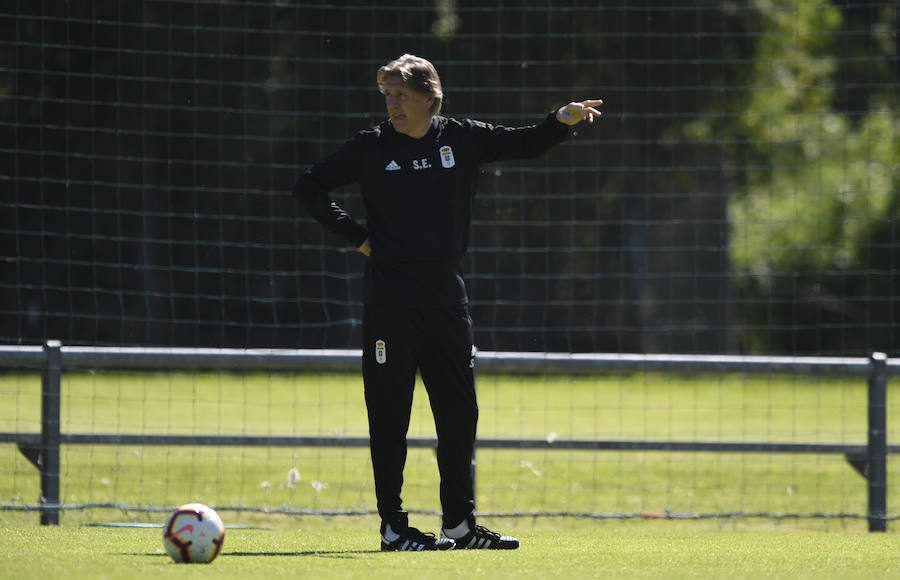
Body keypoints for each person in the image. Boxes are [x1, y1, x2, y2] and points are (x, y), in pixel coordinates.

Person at [292, 53, 602, 551]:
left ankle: (459, 524)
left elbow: (524, 141)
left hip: (445, 297)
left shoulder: (462, 136)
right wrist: (360, 238)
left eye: (401, 95)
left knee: (459, 414)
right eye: (387, 95)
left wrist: (561, 120)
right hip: (390, 298)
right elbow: (309, 187)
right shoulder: (370, 147)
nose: (392, 104)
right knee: (390, 414)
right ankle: (394, 527)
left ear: (430, 98)